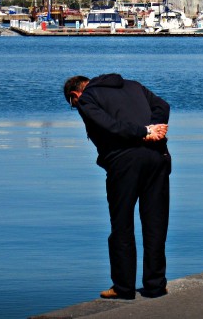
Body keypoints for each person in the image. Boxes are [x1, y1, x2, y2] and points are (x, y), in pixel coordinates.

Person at [63, 73, 171, 300]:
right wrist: (153, 128)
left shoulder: (86, 99)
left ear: (75, 95)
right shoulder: (134, 85)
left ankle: (124, 287)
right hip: (157, 158)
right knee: (155, 223)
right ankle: (155, 286)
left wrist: (144, 132)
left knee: (122, 225)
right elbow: (162, 105)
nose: (77, 108)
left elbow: (108, 125)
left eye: (73, 105)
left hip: (124, 163)